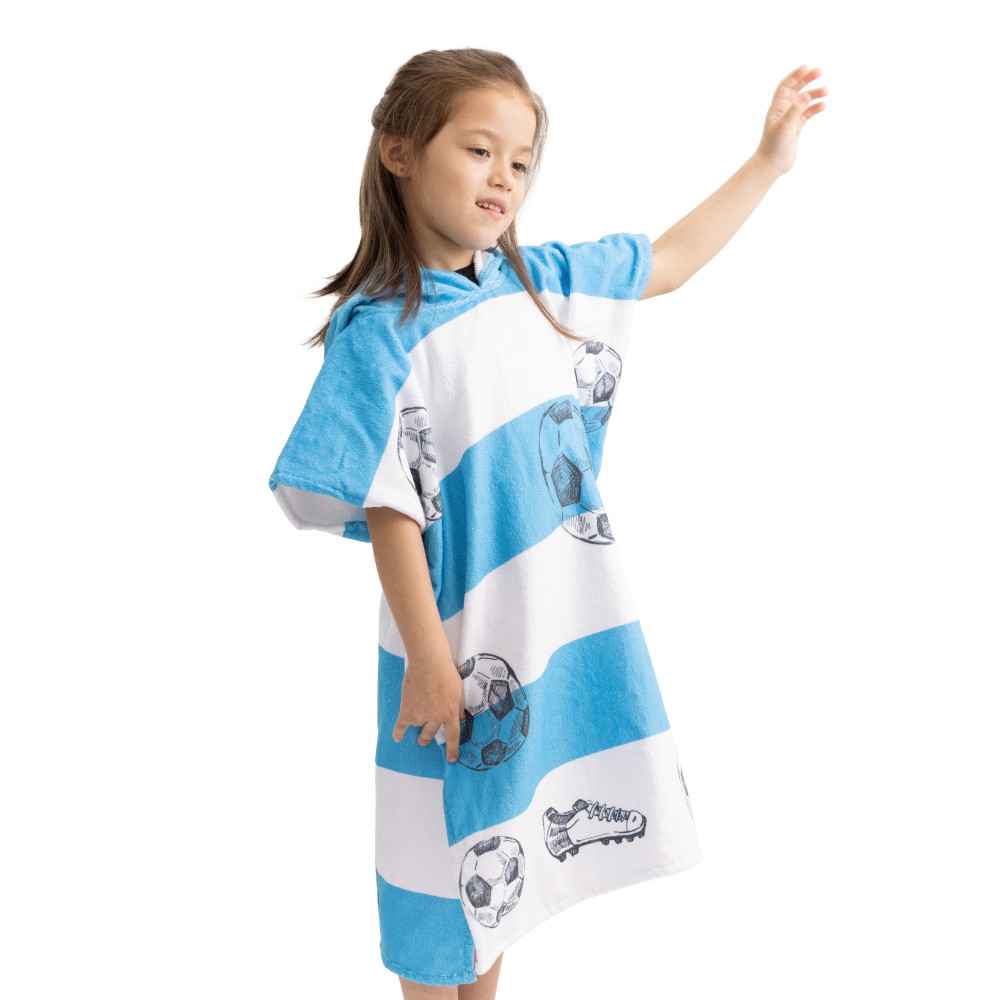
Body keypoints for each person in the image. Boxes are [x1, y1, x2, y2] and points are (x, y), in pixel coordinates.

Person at [268, 48, 826, 1000]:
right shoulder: (383, 327)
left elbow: (669, 262)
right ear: (400, 153)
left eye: (521, 161)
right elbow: (389, 503)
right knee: (435, 866)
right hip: (447, 637)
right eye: (479, 149)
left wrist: (768, 162)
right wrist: (431, 660)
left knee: (503, 848)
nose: (504, 177)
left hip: (539, 628)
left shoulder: (534, 282)